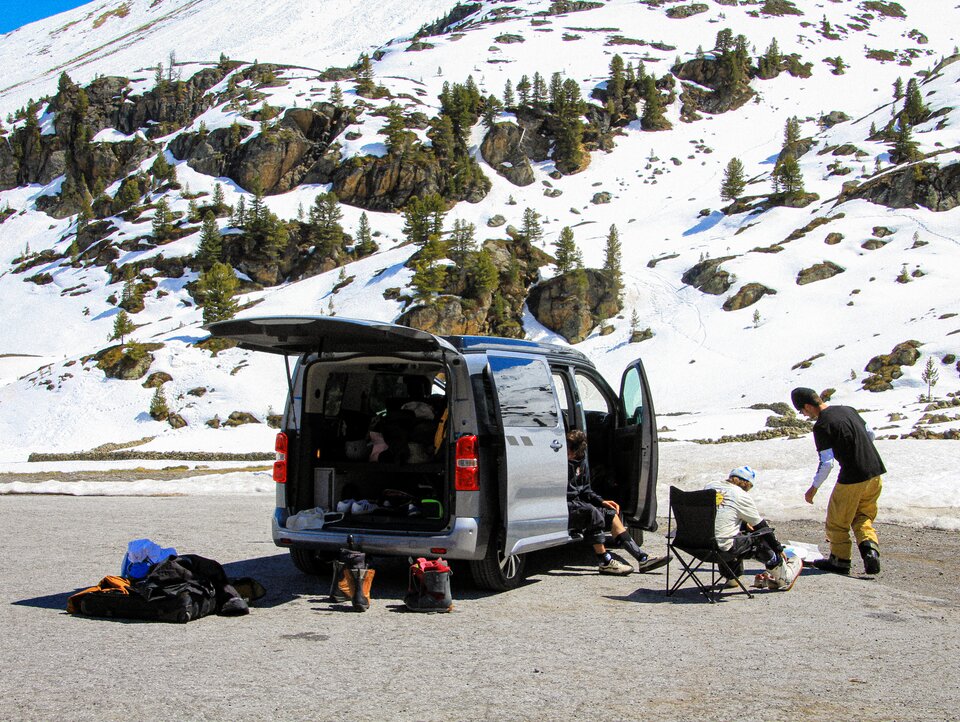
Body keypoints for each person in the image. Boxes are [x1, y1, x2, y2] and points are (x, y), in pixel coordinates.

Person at [791, 387, 884, 575]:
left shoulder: (822, 425)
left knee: (837, 522)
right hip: (875, 472)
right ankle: (870, 551)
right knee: (862, 516)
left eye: (802, 411)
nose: (804, 415)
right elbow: (870, 434)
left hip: (852, 477)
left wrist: (813, 488)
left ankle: (840, 560)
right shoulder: (848, 409)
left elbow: (827, 463)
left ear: (808, 406)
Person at [566, 429, 669, 575]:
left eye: (569, 449)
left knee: (610, 513)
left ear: (578, 451)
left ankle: (642, 557)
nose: (566, 452)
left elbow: (586, 490)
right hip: (564, 504)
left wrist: (602, 502)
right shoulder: (561, 464)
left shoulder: (581, 463)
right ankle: (605, 561)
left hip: (577, 503)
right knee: (591, 513)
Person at [704, 466, 794, 589]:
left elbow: (720, 516)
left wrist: (743, 523)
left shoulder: (710, 486)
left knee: (726, 531)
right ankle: (781, 573)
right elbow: (761, 526)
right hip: (722, 548)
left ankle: (731, 577)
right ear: (746, 483)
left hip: (699, 544)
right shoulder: (740, 495)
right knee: (756, 537)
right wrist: (777, 548)